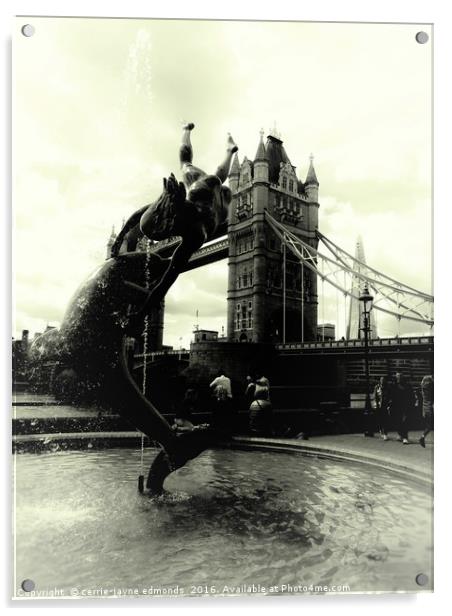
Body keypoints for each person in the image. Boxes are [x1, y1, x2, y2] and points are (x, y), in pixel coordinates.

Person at [110, 123, 238, 317]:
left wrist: (142, 312)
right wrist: (119, 240)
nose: (160, 241)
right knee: (187, 165)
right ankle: (221, 147)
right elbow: (137, 216)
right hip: (206, 198)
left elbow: (165, 283)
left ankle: (196, 134)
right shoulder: (170, 208)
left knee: (189, 165)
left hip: (221, 206)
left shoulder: (197, 232)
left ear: (170, 226)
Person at [389, 372, 415, 444]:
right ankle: (400, 435)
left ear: (403, 377)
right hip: (396, 407)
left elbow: (411, 396)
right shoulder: (393, 385)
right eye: (398, 376)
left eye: (400, 376)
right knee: (397, 422)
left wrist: (412, 405)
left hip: (405, 407)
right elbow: (391, 396)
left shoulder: (407, 385)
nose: (399, 377)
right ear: (396, 377)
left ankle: (405, 437)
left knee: (405, 421)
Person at [373, 376, 391, 440]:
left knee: (385, 420)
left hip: (385, 406)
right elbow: (375, 397)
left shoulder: (388, 388)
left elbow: (390, 397)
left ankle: (385, 434)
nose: (382, 381)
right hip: (379, 406)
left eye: (383, 380)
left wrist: (389, 405)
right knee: (380, 420)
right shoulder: (377, 387)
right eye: (381, 380)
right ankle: (381, 430)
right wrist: (376, 404)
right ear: (380, 380)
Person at [419, 375, 434, 448]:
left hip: (425, 408)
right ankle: (422, 437)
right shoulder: (431, 390)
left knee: (429, 426)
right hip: (430, 408)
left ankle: (422, 437)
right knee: (429, 426)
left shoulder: (423, 389)